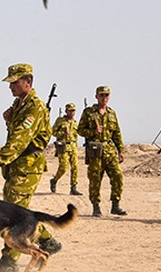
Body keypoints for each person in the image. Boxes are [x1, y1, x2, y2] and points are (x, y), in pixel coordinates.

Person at [0, 63, 62, 272]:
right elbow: (15, 133)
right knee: (17, 212)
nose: (11, 87)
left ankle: (8, 261)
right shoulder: (19, 105)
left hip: (27, 167)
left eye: (15, 82)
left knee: (13, 217)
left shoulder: (34, 107)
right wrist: (8, 120)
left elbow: (20, 140)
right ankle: (48, 241)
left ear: (28, 82)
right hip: (17, 166)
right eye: (10, 83)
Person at [77, 85, 126, 217]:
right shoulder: (89, 112)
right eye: (101, 95)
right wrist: (93, 131)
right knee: (95, 180)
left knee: (117, 176)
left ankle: (115, 205)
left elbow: (117, 133)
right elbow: (80, 130)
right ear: (96, 96)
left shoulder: (111, 113)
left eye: (106, 95)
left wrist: (120, 150)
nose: (104, 98)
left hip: (109, 150)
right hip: (95, 151)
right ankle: (96, 206)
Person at [49, 102, 83, 196]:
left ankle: (73, 187)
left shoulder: (76, 123)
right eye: (70, 111)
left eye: (73, 111)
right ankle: (54, 180)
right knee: (63, 167)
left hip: (73, 147)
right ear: (66, 111)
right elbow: (53, 132)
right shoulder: (60, 121)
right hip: (63, 146)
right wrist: (62, 133)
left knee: (75, 167)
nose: (71, 113)